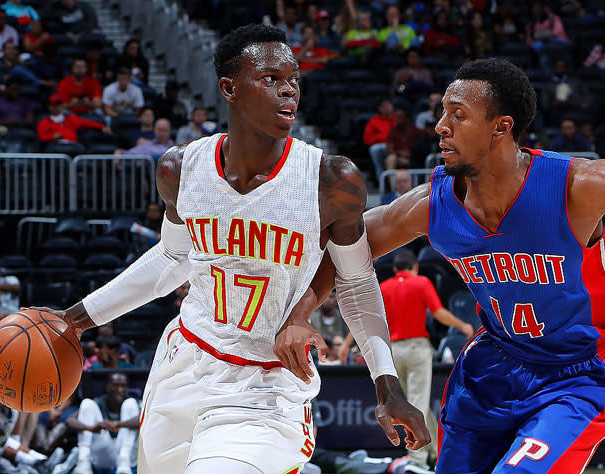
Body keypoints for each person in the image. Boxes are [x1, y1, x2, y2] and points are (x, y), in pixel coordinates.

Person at [38, 24, 429, 474]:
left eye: (293, 80)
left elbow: (357, 284)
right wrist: (75, 319)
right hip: (185, 364)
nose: (288, 90)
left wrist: (387, 384)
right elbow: (171, 259)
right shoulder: (180, 168)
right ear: (229, 88)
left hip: (266, 386)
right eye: (270, 79)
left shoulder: (331, 180)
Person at [280, 57, 605, 473]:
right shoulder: (433, 204)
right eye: (442, 112)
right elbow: (345, 249)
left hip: (575, 375)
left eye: (458, 115)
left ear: (501, 127)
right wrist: (300, 313)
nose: (440, 126)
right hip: (493, 368)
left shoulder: (577, 187)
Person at [381, 249, 474, 474]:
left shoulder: (384, 287)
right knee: (417, 401)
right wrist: (463, 326)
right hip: (416, 348)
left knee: (414, 400)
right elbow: (439, 312)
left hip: (393, 350)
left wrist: (348, 344)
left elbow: (370, 317)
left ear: (395, 269)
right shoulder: (421, 281)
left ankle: (434, 451)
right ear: (415, 267)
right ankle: (418, 458)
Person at [66, 373, 139, 474]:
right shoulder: (99, 402)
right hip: (104, 453)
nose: (120, 389)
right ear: (107, 386)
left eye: (123, 385)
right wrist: (91, 428)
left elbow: (144, 418)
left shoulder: (132, 402)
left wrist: (118, 424)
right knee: (87, 403)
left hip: (126, 453)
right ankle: (83, 460)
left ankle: (124, 461)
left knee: (130, 403)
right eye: (115, 385)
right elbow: (70, 421)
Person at [37, 93, 110, 153]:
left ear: (61, 105)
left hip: (72, 146)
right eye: (53, 105)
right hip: (55, 145)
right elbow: (42, 137)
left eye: (58, 104)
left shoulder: (71, 118)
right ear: (49, 107)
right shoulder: (44, 122)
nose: (56, 107)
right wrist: (52, 137)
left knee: (82, 149)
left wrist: (102, 126)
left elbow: (86, 122)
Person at [363, 98, 397, 183]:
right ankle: (381, 180)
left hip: (396, 145)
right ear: (380, 109)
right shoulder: (374, 121)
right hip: (381, 146)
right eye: (384, 106)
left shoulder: (398, 119)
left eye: (389, 105)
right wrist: (384, 138)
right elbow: (367, 139)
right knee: (375, 149)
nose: (387, 108)